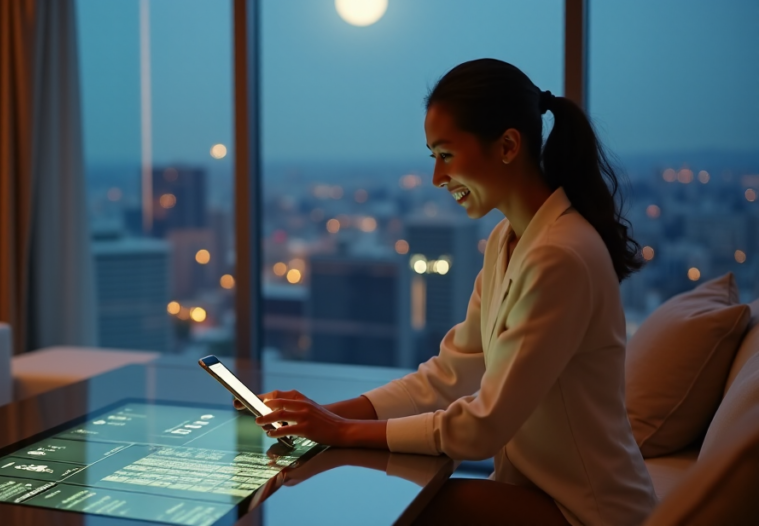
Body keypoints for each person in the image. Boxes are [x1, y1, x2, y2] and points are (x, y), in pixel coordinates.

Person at [244, 59, 658, 526]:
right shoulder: (509, 240)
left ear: (507, 146)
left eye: (446, 155)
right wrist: (320, 419)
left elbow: (482, 427)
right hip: (541, 491)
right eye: (433, 158)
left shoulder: (561, 256)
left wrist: (342, 431)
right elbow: (447, 376)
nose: (438, 179)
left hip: (590, 511)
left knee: (409, 509)